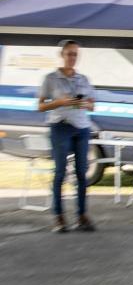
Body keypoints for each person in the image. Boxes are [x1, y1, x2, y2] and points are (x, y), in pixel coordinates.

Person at [36, 40, 96, 233]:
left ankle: (82, 215)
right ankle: (59, 217)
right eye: (69, 54)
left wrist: (83, 104)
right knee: (60, 172)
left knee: (81, 172)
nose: (72, 58)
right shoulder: (51, 78)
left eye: (75, 54)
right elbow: (40, 106)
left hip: (81, 127)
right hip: (60, 126)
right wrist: (59, 102)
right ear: (61, 55)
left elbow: (92, 105)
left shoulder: (83, 79)